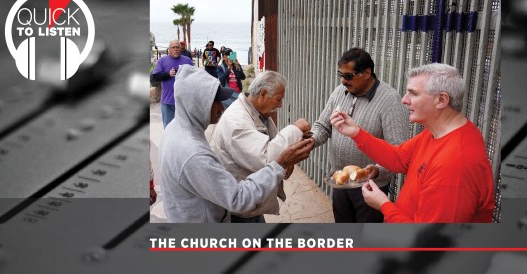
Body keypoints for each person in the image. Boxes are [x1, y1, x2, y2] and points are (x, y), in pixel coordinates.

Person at [331, 63, 495, 223]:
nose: (404, 100)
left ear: (441, 100)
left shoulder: (455, 164)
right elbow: (399, 158)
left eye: (413, 94)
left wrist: (384, 205)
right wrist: (357, 133)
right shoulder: (436, 132)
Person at [160, 65, 314, 223]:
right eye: (215, 102)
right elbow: (238, 198)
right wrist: (281, 162)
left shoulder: (176, 128)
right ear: (197, 104)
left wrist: (284, 161)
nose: (221, 107)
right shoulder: (193, 153)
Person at [311, 48, 410, 223]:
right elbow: (323, 126)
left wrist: (378, 170)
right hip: (340, 181)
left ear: (366, 73)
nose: (342, 81)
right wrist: (310, 141)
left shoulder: (390, 101)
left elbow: (398, 151)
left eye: (348, 76)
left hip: (372, 188)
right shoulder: (339, 92)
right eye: (340, 74)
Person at [211, 70, 312, 223]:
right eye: (278, 99)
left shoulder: (256, 111)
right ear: (263, 94)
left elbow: (271, 144)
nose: (280, 105)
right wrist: (295, 129)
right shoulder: (237, 122)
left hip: (251, 200)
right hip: (240, 207)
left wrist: (289, 156)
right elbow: (267, 158)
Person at [150, 39, 193, 128]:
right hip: (168, 102)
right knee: (168, 129)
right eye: (173, 47)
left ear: (181, 48)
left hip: (184, 102)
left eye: (177, 47)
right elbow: (154, 77)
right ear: (169, 49)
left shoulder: (187, 60)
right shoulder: (162, 60)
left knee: (185, 129)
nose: (176, 49)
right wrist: (168, 74)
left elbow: (194, 77)